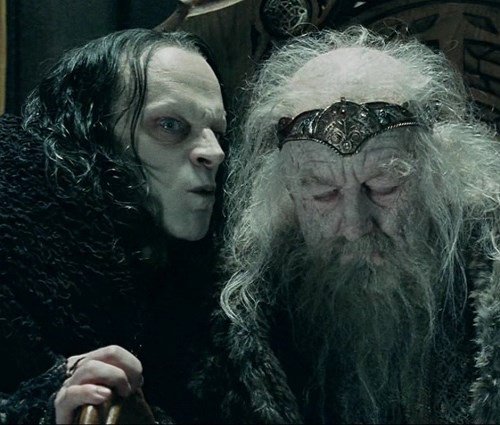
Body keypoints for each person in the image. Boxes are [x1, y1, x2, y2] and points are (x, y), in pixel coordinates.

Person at [197, 27, 500, 423]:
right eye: (323, 195)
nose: (355, 226)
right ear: (287, 196)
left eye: (384, 186)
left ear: (440, 177)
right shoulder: (238, 320)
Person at [0, 28, 226, 423]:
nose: (214, 152)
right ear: (91, 132)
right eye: (170, 125)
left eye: (219, 132)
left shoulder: (207, 297)